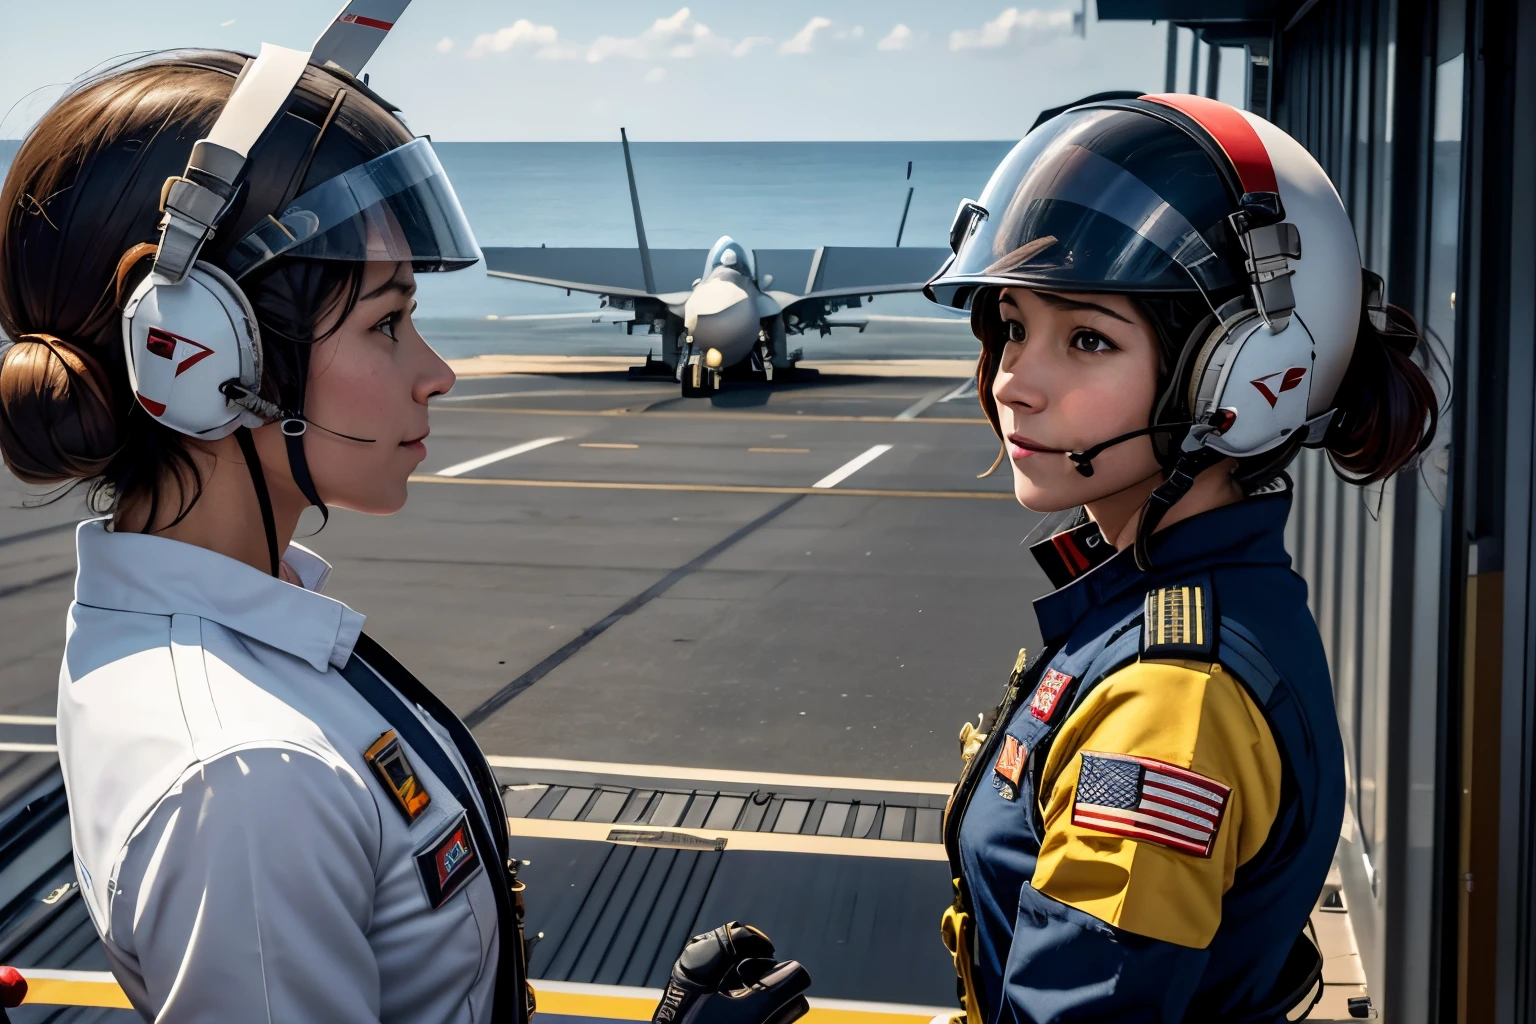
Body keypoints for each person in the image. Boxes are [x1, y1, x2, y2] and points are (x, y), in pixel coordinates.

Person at [923, 94, 1438, 1022]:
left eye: (1086, 338)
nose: (1012, 381)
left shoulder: (1169, 703)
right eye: (1012, 323)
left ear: (1238, 376)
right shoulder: (1184, 597)